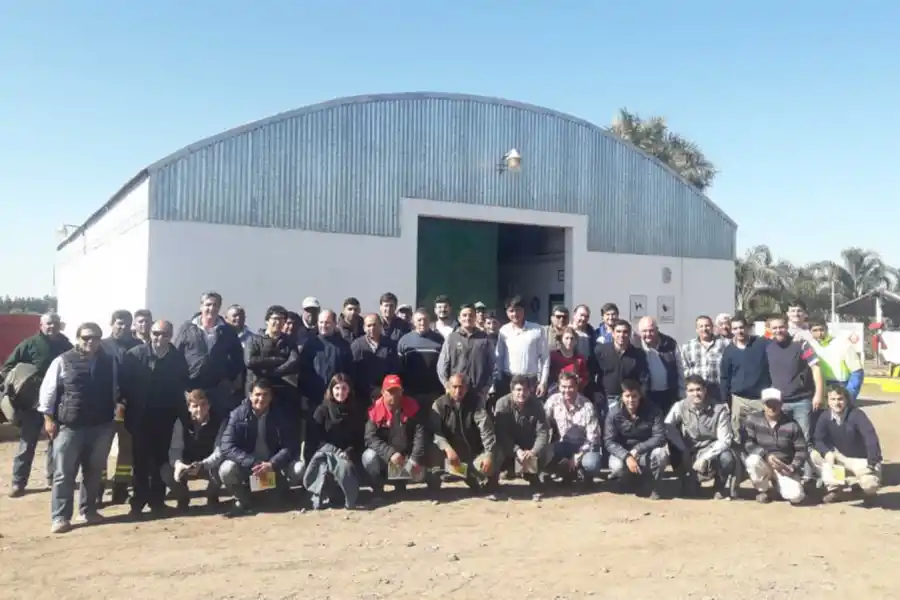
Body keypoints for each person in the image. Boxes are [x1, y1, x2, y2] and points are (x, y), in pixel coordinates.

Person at [38, 322, 118, 534]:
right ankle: (60, 517)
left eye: (94, 337)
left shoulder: (109, 362)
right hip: (69, 426)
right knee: (64, 474)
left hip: (100, 425)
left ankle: (89, 511)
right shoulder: (63, 361)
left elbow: (115, 389)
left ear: (101, 339)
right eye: (85, 338)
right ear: (78, 339)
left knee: (93, 473)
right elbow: (48, 393)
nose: (90, 342)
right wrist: (48, 419)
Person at [121, 320, 190, 517]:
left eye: (164, 334)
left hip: (165, 419)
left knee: (161, 461)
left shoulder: (177, 358)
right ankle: (138, 503)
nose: (159, 338)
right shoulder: (135, 355)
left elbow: (182, 384)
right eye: (156, 333)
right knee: (140, 462)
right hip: (140, 418)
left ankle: (157, 502)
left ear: (171, 335)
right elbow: (124, 385)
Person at [2, 311, 72, 497]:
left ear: (60, 325)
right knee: (27, 443)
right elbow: (8, 367)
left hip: (58, 403)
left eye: (55, 323)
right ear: (41, 325)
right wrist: (22, 381)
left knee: (55, 443)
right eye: (48, 323)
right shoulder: (29, 344)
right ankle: (18, 482)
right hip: (32, 404)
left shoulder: (66, 345)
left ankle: (52, 479)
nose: (52, 327)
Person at [218, 380, 305, 517]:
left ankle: (278, 492)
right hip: (248, 466)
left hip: (273, 468)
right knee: (226, 470)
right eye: (257, 394)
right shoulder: (237, 414)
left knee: (299, 469)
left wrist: (272, 464)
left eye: (265, 395)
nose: (261, 399)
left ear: (271, 397)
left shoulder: (281, 415)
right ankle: (244, 500)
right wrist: (253, 463)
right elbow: (227, 446)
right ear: (250, 395)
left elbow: (290, 445)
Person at [665, 375, 736, 500]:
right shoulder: (679, 406)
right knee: (690, 493)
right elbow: (667, 426)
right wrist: (681, 447)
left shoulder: (719, 409)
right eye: (691, 390)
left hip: (711, 451)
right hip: (689, 451)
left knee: (727, 458)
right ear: (686, 392)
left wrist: (705, 457)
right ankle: (688, 478)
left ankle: (719, 487)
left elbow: (725, 440)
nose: (695, 394)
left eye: (699, 389)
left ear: (705, 391)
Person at [174, 291, 245, 413]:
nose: (211, 308)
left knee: (217, 424)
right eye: (208, 305)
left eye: (215, 305)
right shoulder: (187, 328)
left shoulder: (228, 331)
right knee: (191, 424)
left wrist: (229, 378)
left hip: (217, 388)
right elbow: (176, 355)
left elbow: (237, 357)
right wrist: (183, 381)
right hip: (192, 386)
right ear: (201, 306)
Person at [304, 374, 367, 509]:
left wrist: (348, 453)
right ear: (331, 390)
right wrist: (335, 452)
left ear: (349, 390)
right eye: (337, 388)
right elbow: (314, 440)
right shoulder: (321, 411)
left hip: (348, 456)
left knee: (346, 468)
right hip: (324, 455)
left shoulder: (355, 411)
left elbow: (358, 439)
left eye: (344, 388)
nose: (340, 392)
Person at [811, 384, 882, 504]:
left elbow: (871, 438)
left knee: (870, 485)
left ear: (846, 400)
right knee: (815, 455)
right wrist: (827, 452)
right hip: (840, 458)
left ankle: (856, 482)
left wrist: (872, 462)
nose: (836, 403)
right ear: (827, 401)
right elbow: (818, 439)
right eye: (832, 399)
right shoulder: (824, 417)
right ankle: (834, 489)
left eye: (840, 399)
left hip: (860, 459)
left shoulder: (857, 415)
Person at [429, 374, 498, 494]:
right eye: (454, 387)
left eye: (461, 387)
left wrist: (489, 454)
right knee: (433, 457)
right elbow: (436, 432)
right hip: (449, 455)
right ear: (448, 387)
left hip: (471, 453)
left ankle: (467, 475)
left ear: (466, 388)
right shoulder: (439, 404)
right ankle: (445, 476)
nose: (458, 391)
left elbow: (485, 429)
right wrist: (448, 449)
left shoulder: (476, 402)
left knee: (489, 464)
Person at [362, 374, 429, 493]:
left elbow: (420, 434)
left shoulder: (412, 406)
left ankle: (401, 483)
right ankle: (378, 488)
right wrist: (390, 453)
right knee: (369, 457)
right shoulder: (374, 410)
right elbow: (370, 438)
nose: (394, 395)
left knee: (420, 475)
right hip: (386, 457)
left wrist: (415, 458)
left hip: (406, 454)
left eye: (397, 391)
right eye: (390, 391)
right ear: (383, 392)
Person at [604, 379, 669, 499]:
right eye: (627, 396)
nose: (631, 400)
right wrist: (627, 456)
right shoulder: (614, 413)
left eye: (634, 396)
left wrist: (639, 449)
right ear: (622, 397)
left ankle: (654, 485)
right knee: (617, 466)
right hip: (623, 452)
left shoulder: (654, 410)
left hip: (646, 450)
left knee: (660, 454)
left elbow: (659, 436)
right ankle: (629, 481)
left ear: (640, 395)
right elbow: (609, 441)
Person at [163, 389, 227, 511]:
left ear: (209, 405)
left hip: (209, 465)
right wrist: (178, 464)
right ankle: (182, 498)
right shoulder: (180, 421)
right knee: (165, 471)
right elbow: (175, 448)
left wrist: (202, 465)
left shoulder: (220, 421)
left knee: (224, 467)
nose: (199, 409)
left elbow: (219, 451)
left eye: (203, 404)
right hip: (186, 464)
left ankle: (212, 496)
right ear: (189, 407)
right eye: (195, 406)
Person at [741, 388, 807, 505]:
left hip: (784, 467)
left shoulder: (792, 424)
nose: (772, 407)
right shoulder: (752, 419)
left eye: (775, 403)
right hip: (764, 463)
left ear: (781, 404)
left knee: (796, 497)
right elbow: (748, 443)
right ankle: (763, 490)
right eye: (768, 404)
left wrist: (793, 467)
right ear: (763, 404)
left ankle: (778, 485)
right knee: (752, 460)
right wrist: (766, 456)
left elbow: (801, 450)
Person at [494, 375, 552, 488]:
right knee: (495, 450)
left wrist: (533, 451)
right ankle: (493, 480)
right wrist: (516, 450)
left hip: (528, 448)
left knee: (547, 450)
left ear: (530, 390)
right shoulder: (502, 404)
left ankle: (530, 475)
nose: (522, 393)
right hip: (508, 446)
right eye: (518, 390)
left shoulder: (537, 405)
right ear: (512, 391)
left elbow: (543, 433)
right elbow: (501, 433)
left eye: (525, 389)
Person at [543, 372, 603, 483]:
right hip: (561, 444)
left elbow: (593, 438)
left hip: (582, 446)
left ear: (577, 387)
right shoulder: (553, 401)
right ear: (559, 386)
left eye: (570, 387)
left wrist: (577, 456)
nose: (567, 390)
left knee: (592, 464)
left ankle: (584, 472)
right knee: (543, 454)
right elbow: (542, 423)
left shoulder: (587, 406)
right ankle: (562, 471)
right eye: (564, 387)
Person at [719, 314, 770, 438]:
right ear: (731, 330)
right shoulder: (729, 351)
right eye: (735, 328)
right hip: (738, 400)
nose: (739, 331)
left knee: (762, 433)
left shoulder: (762, 344)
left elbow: (780, 344)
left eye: (741, 327)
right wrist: (725, 399)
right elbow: (725, 377)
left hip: (760, 399)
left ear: (747, 328)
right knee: (738, 434)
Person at [244, 305, 301, 417]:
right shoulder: (254, 339)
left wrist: (275, 372)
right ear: (267, 321)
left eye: (281, 319)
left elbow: (293, 360)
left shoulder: (289, 341)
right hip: (257, 389)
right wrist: (277, 360)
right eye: (275, 319)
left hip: (281, 391)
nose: (278, 322)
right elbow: (250, 361)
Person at [437, 304, 496, 401]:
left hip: (478, 392)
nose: (467, 318)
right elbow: (442, 365)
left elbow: (493, 365)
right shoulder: (451, 338)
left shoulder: (485, 339)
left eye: (471, 315)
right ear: (459, 319)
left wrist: (487, 387)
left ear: (475, 318)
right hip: (456, 392)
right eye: (464, 315)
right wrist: (447, 385)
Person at [591, 319, 650, 416]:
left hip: (629, 399)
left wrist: (641, 396)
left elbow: (644, 378)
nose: (621, 335)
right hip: (606, 398)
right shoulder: (600, 351)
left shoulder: (638, 354)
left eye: (625, 332)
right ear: (613, 334)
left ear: (630, 334)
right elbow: (591, 372)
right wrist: (595, 392)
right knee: (607, 428)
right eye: (618, 331)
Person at [495, 296, 550, 398]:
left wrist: (543, 382)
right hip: (510, 379)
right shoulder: (503, 330)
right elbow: (499, 357)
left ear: (524, 311)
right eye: (511, 311)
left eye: (518, 310)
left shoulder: (537, 330)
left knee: (531, 412)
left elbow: (545, 358)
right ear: (507, 312)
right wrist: (499, 379)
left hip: (531, 380)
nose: (515, 314)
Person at [397, 309, 445, 409]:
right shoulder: (404, 340)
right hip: (411, 393)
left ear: (430, 321)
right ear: (414, 322)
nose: (422, 323)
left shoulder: (439, 339)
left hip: (434, 392)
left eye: (425, 320)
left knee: (433, 422)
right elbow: (400, 367)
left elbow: (444, 365)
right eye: (419, 320)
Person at [808, 320, 864, 402]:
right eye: (815, 330)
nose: (819, 333)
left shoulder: (843, 344)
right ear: (810, 332)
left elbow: (857, 371)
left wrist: (850, 393)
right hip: (818, 386)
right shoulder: (809, 347)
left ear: (827, 329)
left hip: (840, 385)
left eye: (821, 329)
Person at [637, 316, 683, 415]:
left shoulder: (670, 343)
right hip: (645, 395)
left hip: (669, 393)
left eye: (651, 331)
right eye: (644, 331)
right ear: (639, 332)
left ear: (657, 330)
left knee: (668, 424)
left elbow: (680, 368)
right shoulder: (635, 346)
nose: (648, 334)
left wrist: (682, 392)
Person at [351, 314, 401, 404]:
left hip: (384, 395)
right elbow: (353, 371)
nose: (372, 328)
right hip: (362, 396)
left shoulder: (390, 345)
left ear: (381, 326)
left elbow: (395, 369)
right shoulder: (357, 345)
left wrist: (384, 389)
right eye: (369, 325)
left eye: (375, 325)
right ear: (364, 328)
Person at [679, 315, 730, 402]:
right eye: (701, 326)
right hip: (697, 393)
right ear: (696, 329)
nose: (704, 329)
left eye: (707, 326)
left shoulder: (724, 344)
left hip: (718, 392)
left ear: (712, 327)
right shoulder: (688, 347)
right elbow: (684, 369)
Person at [548, 326, 588, 395]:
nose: (569, 341)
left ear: (575, 341)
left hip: (574, 392)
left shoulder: (579, 359)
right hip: (555, 392)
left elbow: (585, 377)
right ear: (561, 340)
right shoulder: (553, 356)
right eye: (566, 338)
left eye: (572, 338)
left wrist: (578, 381)